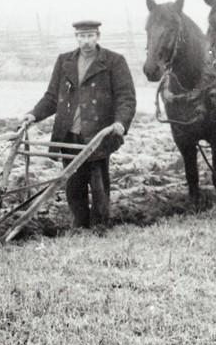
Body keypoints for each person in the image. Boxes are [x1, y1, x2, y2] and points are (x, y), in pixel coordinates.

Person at [22, 20, 136, 228]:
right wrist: (34, 115)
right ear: (76, 37)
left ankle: (100, 225)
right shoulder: (64, 61)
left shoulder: (114, 61)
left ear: (98, 36)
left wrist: (121, 122)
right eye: (82, 36)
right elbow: (51, 97)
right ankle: (80, 225)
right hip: (69, 133)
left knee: (98, 182)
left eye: (90, 36)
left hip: (98, 133)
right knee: (73, 183)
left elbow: (125, 97)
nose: (86, 41)